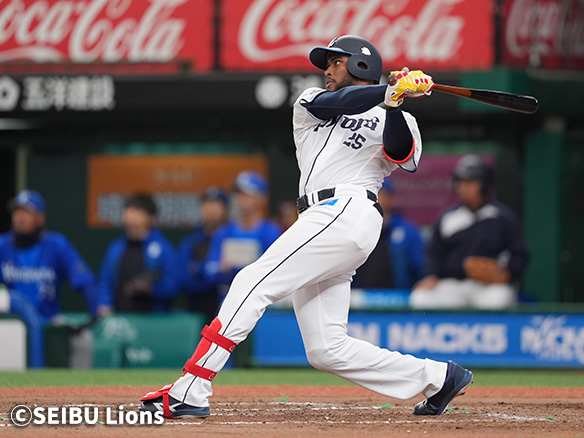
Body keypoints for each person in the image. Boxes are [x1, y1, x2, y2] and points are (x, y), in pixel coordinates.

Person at [140, 35, 472, 419]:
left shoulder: (400, 117)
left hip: (347, 209)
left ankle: (191, 388)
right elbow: (340, 103)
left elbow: (400, 153)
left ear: (361, 65)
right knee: (326, 349)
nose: (327, 70)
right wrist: (390, 91)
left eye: (335, 62)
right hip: (322, 217)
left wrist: (395, 103)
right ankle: (438, 377)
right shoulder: (312, 101)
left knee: (251, 282)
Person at [410, 154, 529, 309]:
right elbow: (434, 252)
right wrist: (432, 275)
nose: (465, 187)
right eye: (461, 182)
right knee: (421, 298)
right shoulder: (447, 218)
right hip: (454, 284)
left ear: (484, 184)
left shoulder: (503, 217)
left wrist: (508, 273)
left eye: (472, 182)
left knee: (497, 300)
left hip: (489, 287)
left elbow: (519, 254)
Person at [0, 190, 97, 322]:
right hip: (11, 323)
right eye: (17, 212)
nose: (20, 218)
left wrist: (94, 315)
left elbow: (86, 281)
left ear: (40, 217)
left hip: (48, 323)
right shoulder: (2, 245)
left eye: (26, 212)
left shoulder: (56, 245)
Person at [202, 171, 282, 302]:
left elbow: (277, 273)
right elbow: (209, 271)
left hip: (261, 302)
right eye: (239, 194)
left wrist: (238, 268)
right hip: (227, 298)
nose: (242, 199)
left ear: (262, 198)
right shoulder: (224, 232)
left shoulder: (270, 232)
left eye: (248, 194)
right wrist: (222, 268)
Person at [98, 194, 178, 314]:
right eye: (128, 211)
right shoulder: (116, 248)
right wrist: (105, 303)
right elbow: (105, 280)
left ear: (150, 217)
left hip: (153, 317)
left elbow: (173, 285)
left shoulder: (163, 248)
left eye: (137, 211)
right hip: (120, 316)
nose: (131, 216)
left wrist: (150, 289)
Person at [353, 177, 425, 289]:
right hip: (358, 295)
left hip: (400, 296)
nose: (374, 198)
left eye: (379, 193)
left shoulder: (408, 232)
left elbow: (420, 267)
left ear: (390, 198)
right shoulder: (355, 229)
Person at [177, 186, 230, 322]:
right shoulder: (191, 243)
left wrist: (199, 270)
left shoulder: (233, 239)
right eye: (207, 204)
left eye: (216, 204)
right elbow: (184, 282)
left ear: (225, 209)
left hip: (230, 310)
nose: (211, 210)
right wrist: (213, 275)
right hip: (198, 312)